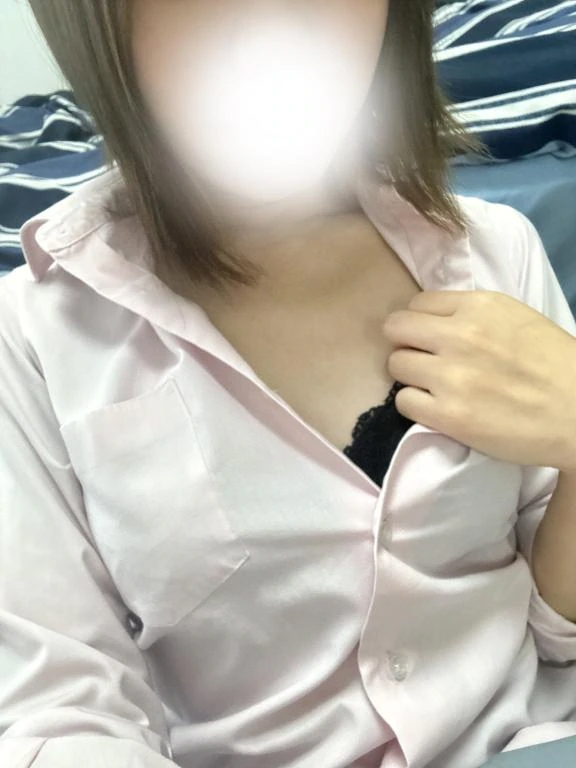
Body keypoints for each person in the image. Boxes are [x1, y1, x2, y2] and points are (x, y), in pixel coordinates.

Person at [2, 1, 576, 767]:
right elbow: (64, 714)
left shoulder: (498, 252)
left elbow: (557, 633)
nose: (272, 22)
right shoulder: (35, 340)